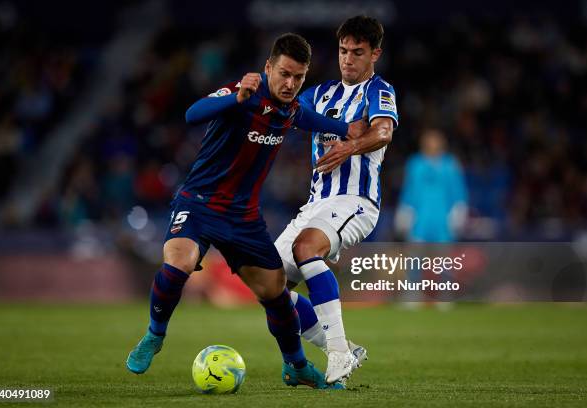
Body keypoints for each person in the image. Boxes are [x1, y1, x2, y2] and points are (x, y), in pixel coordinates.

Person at [126, 33, 366, 390]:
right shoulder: (243, 94)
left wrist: (346, 129)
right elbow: (193, 113)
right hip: (200, 203)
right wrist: (235, 96)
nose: (290, 84)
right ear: (268, 67)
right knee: (177, 262)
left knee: (276, 293)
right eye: (284, 73)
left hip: (243, 218)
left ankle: (296, 366)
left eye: (298, 77)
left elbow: (311, 119)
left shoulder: (290, 109)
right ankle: (154, 335)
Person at [274, 16, 398, 384]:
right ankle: (339, 350)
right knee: (269, 286)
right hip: (315, 204)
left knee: (306, 248)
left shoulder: (379, 90)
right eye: (344, 51)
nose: (348, 60)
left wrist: (351, 147)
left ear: (375, 53)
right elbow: (290, 112)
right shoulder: (321, 94)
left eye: (357, 53)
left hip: (356, 201)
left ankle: (340, 351)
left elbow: (384, 130)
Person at [394, 128, 468, 243]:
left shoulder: (450, 164)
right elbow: (409, 190)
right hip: (418, 221)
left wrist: (458, 211)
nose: (432, 145)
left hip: (444, 222)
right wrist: (404, 211)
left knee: (442, 258)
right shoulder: (415, 164)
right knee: (416, 257)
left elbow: (457, 190)